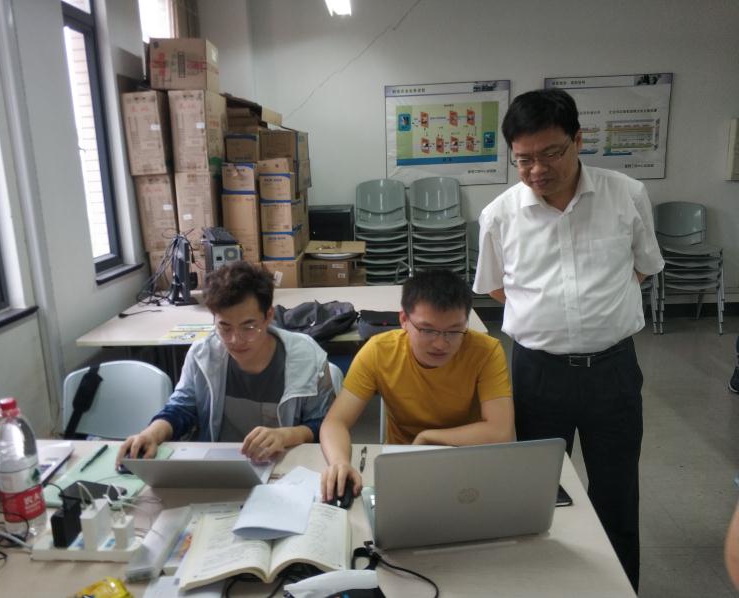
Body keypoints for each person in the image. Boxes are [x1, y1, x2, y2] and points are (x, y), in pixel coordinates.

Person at [473, 88, 664, 591]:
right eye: (523, 159)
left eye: (551, 153)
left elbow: (644, 265)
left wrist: (602, 312)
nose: (537, 169)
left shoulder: (626, 194)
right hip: (537, 374)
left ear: (579, 140)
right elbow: (496, 287)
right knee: (535, 497)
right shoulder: (499, 215)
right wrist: (547, 316)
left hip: (613, 372)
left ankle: (619, 590)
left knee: (617, 496)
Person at [320, 269, 514, 502]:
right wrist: (339, 462)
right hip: (403, 460)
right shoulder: (379, 351)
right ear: (404, 320)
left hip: (467, 457)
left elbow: (500, 431)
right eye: (427, 330)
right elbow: (335, 422)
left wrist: (429, 437)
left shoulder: (486, 352)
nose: (440, 344)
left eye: (454, 331)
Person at [117, 262, 335, 464]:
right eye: (225, 327)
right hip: (219, 467)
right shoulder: (203, 355)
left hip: (284, 467)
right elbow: (181, 409)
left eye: (248, 327)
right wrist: (151, 434)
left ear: (268, 316)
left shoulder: (307, 357)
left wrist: (287, 435)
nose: (235, 340)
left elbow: (325, 425)